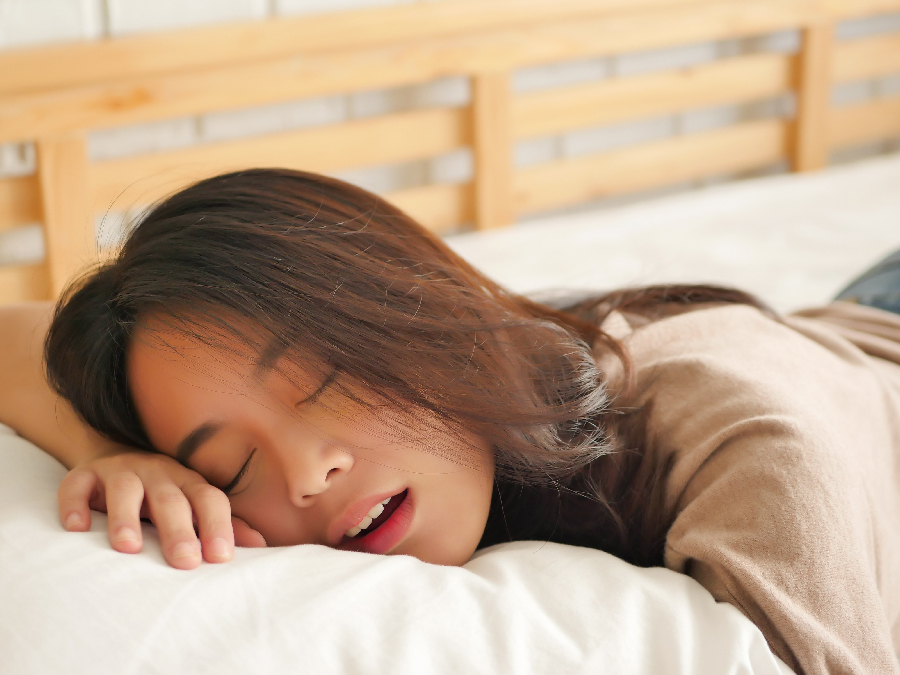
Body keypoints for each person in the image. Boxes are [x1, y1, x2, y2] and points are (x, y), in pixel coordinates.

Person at [0, 168, 898, 675]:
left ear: (418, 310)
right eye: (232, 467)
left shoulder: (746, 434)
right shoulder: (472, 412)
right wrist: (112, 451)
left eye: (326, 380)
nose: (307, 473)